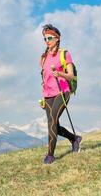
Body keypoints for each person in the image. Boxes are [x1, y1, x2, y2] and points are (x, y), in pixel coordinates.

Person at [39, 24, 82, 164]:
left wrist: (60, 74)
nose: (47, 41)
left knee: (51, 122)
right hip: (48, 95)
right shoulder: (43, 57)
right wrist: (42, 98)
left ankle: (50, 155)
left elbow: (70, 76)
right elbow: (44, 78)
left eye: (50, 38)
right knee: (54, 126)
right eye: (45, 38)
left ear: (57, 39)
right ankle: (74, 138)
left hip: (62, 91)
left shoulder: (64, 54)